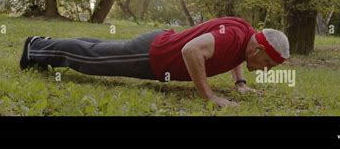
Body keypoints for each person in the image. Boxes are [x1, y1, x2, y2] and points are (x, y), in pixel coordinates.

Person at [20, 17, 290, 107]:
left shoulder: (245, 36)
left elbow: (234, 54)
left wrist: (240, 83)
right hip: (155, 56)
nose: (265, 70)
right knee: (93, 59)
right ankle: (34, 48)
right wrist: (209, 96)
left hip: (156, 46)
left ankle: (43, 44)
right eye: (267, 64)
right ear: (258, 49)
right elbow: (191, 51)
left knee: (98, 49)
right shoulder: (234, 37)